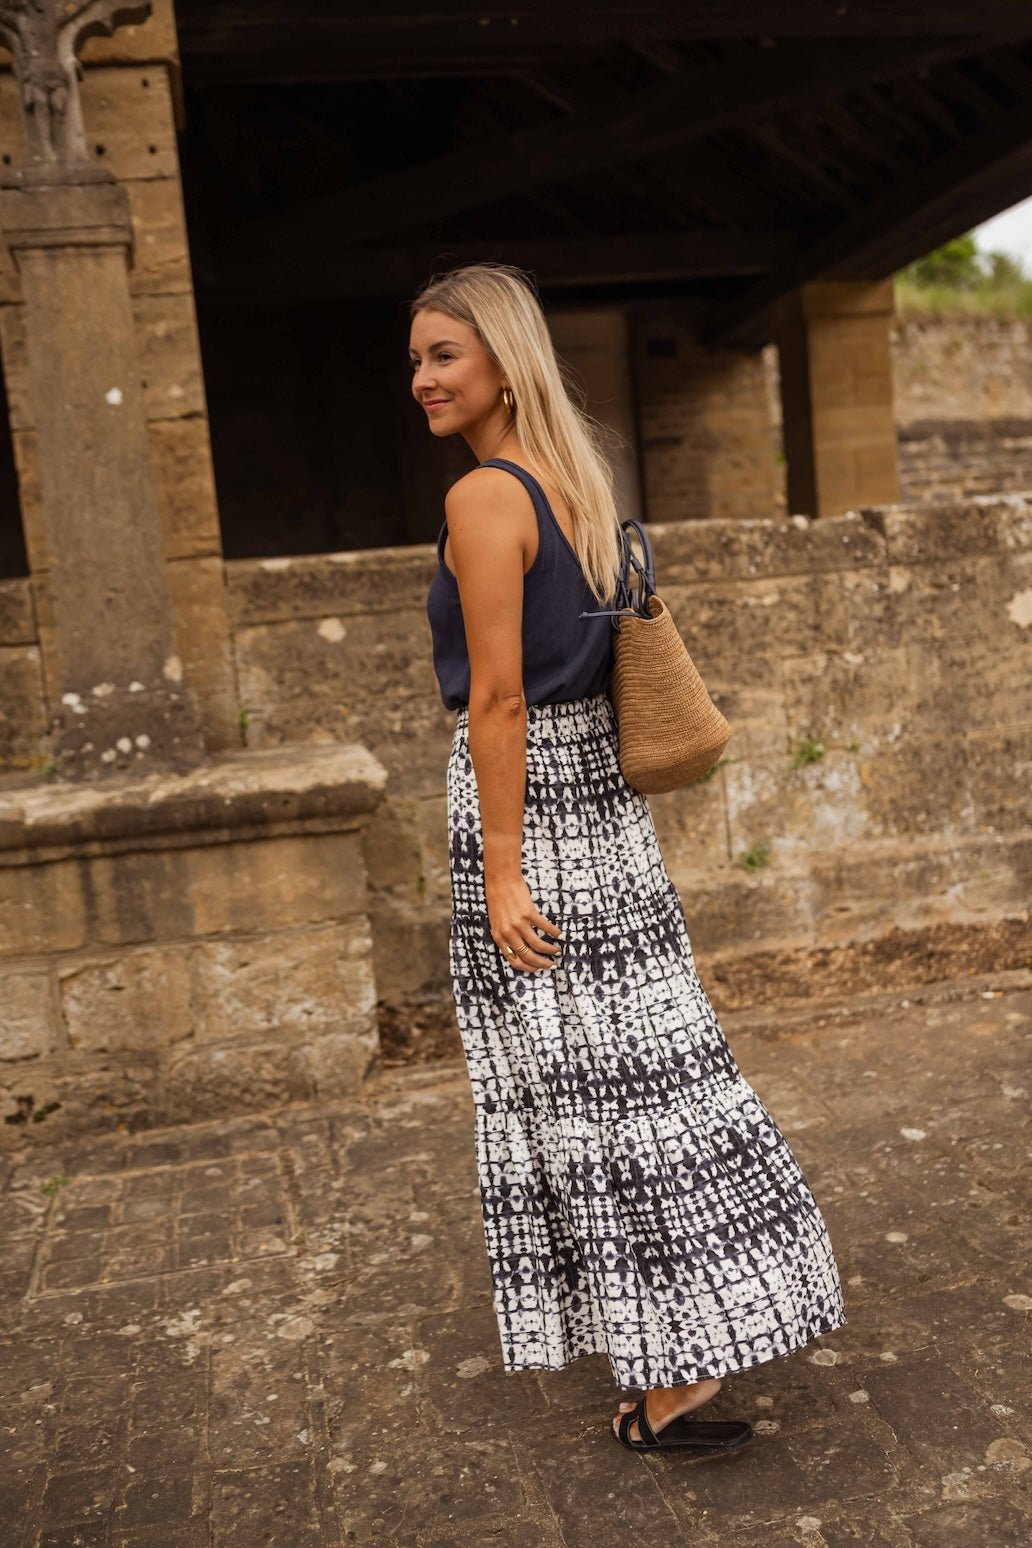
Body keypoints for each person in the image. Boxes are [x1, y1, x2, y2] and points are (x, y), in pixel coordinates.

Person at [416, 262, 846, 1455]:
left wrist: (501, 872)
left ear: (505, 358)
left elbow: (498, 702)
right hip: (608, 814)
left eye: (444, 355)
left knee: (579, 1096)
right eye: (416, 360)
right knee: (656, 1077)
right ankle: (691, 1341)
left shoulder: (485, 501)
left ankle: (669, 1376)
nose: (423, 380)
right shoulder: (578, 483)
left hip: (531, 813)